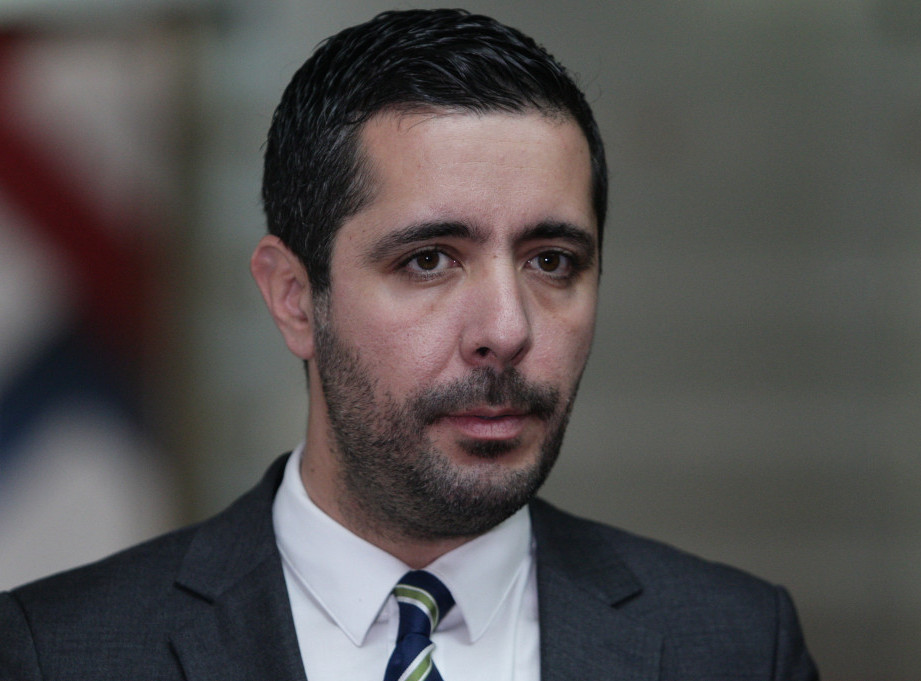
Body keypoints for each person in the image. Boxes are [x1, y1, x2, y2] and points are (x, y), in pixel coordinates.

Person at [0, 9, 818, 680]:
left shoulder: (739, 646)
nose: (506, 329)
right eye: (428, 260)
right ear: (293, 297)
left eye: (551, 261)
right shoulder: (58, 654)